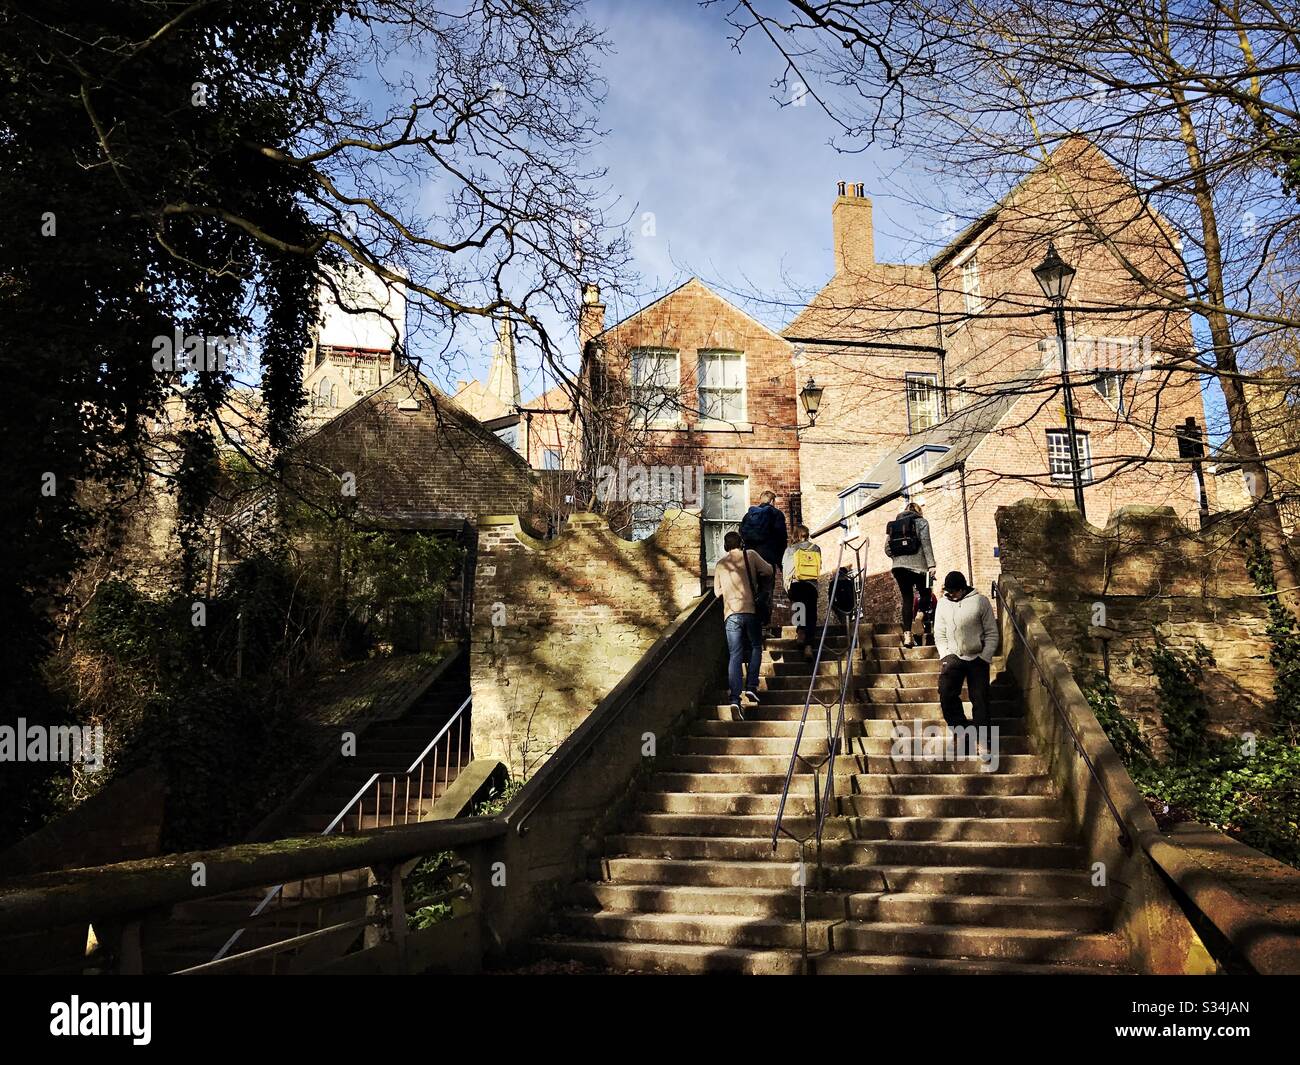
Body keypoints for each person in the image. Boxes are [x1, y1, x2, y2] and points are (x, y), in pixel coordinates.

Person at [933, 569, 999, 747]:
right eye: (949, 592)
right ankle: (961, 731)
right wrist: (945, 654)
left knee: (980, 699)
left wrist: (985, 656)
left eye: (955, 591)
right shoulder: (942, 604)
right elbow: (939, 633)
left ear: (963, 588)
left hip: (977, 657)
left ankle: (984, 739)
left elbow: (992, 633)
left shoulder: (980, 601)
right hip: (953, 656)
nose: (952, 595)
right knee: (946, 694)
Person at [713, 529, 774, 717]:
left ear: (725, 546)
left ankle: (734, 699)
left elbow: (717, 592)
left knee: (735, 655)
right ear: (741, 543)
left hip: (731, 614)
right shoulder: (751, 555)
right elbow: (769, 570)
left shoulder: (721, 564)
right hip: (750, 610)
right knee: (756, 646)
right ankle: (751, 686)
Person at [884, 500, 935, 649]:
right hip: (920, 568)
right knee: (926, 592)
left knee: (907, 599)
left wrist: (898, 559)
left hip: (899, 568)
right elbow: (926, 543)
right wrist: (931, 565)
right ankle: (920, 615)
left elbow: (887, 549)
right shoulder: (921, 522)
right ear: (919, 511)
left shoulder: (895, 525)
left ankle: (907, 636)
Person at [739, 490, 787, 634]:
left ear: (760, 500)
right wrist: (780, 563)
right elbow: (781, 539)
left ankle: (751, 628)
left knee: (751, 592)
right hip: (767, 558)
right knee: (766, 591)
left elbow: (742, 534)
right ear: (773, 501)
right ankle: (764, 627)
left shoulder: (748, 516)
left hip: (750, 560)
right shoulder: (776, 514)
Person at [782, 524, 821, 660]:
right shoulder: (816, 548)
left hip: (796, 584)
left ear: (795, 535)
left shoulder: (790, 550)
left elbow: (786, 569)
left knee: (799, 608)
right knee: (811, 614)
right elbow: (818, 567)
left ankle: (800, 633)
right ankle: (809, 646)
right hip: (811, 585)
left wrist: (787, 587)